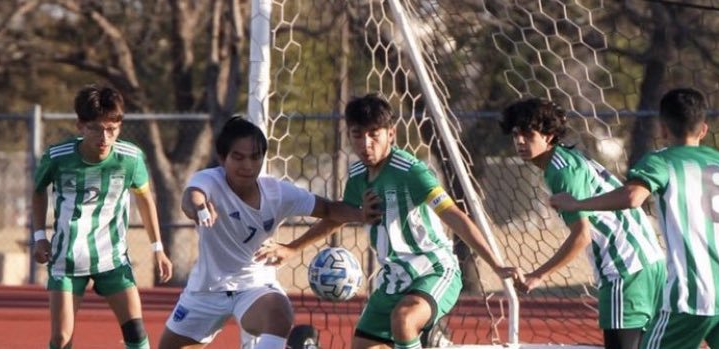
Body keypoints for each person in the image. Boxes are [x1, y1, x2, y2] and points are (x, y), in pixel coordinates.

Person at [270, 94, 516, 349]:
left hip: (434, 270)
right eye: (357, 135)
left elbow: (453, 215)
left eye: (374, 134)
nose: (366, 143)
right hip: (394, 279)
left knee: (404, 319)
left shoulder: (412, 171)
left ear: (391, 133)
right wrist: (291, 249)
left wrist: (496, 264)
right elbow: (337, 216)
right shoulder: (357, 176)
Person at [551, 88, 719, 349]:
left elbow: (633, 197)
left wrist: (577, 203)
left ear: (663, 129)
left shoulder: (661, 162)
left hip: (692, 293)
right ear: (703, 129)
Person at [158, 117, 369, 349]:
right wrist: (199, 208)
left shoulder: (277, 193)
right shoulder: (209, 180)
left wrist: (362, 215)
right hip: (206, 290)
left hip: (254, 286)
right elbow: (192, 196)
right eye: (238, 157)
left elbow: (330, 210)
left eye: (255, 157)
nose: (247, 165)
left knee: (278, 314)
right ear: (222, 158)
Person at [499, 98, 666, 349]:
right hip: (648, 264)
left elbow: (582, 236)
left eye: (528, 134)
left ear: (549, 135)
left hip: (624, 270)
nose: (520, 141)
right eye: (515, 135)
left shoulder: (562, 171)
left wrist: (538, 275)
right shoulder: (567, 161)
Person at [32, 84, 173, 349]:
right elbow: (38, 191)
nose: (104, 137)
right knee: (61, 339)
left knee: (136, 332)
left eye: (112, 129)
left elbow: (144, 199)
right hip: (67, 258)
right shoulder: (57, 157)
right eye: (96, 128)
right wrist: (39, 236)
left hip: (113, 258)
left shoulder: (130, 158)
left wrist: (158, 248)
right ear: (80, 126)